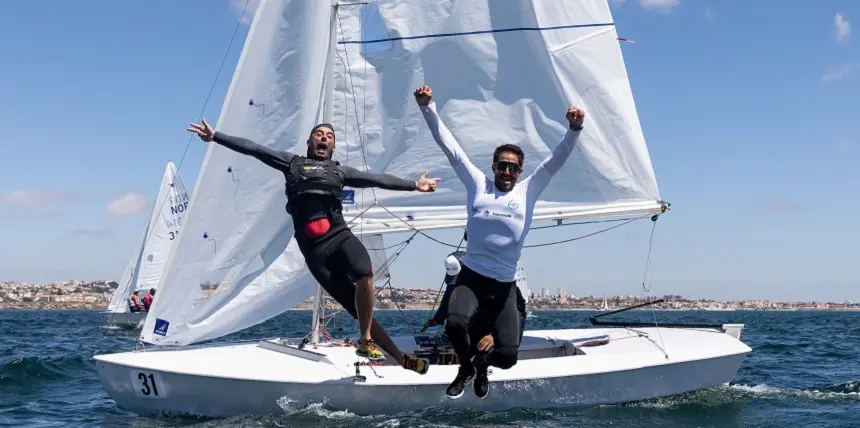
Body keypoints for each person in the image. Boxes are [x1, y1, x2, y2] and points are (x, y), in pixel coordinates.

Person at [187, 118, 439, 374]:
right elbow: (256, 149)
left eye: (328, 136)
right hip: (315, 253)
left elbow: (376, 179)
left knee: (365, 274)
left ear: (333, 146)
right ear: (309, 142)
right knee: (355, 308)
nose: (323, 138)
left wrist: (414, 185)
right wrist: (216, 136)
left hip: (340, 237)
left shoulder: (341, 172)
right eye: (318, 134)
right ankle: (400, 357)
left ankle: (365, 341)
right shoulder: (292, 163)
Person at [414, 85, 585, 399]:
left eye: (513, 167)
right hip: (472, 278)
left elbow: (555, 160)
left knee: (507, 357)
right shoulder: (477, 184)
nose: (506, 170)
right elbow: (449, 146)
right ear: (493, 167)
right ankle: (466, 367)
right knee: (454, 324)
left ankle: (481, 366)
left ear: (519, 172)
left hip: (504, 286)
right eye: (501, 165)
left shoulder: (527, 191)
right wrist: (428, 107)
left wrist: (574, 129)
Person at [421, 248, 527, 363]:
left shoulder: (494, 282)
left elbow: (512, 313)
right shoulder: (457, 282)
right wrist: (438, 319)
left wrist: (495, 336)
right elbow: (449, 298)